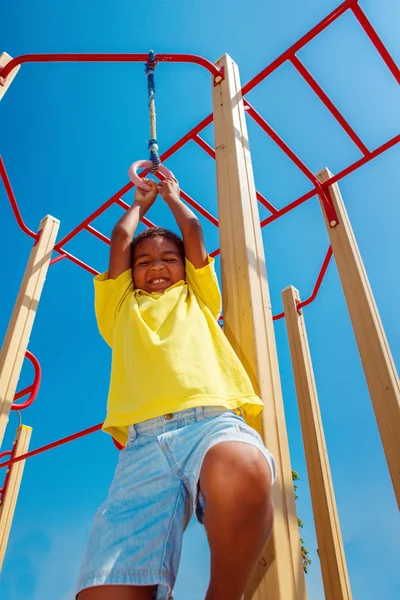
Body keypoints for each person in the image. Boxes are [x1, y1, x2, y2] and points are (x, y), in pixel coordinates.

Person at [76, 177, 277, 600]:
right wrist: (139, 204)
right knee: (105, 593)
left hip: (210, 422)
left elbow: (194, 233)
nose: (156, 266)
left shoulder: (198, 296)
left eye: (169, 258)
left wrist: (172, 197)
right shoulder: (120, 308)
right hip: (142, 447)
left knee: (242, 466)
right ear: (130, 274)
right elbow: (120, 237)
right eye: (144, 262)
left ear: (186, 267)